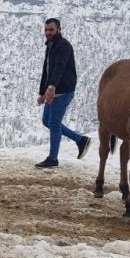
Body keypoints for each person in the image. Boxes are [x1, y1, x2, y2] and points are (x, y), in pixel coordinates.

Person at [35, 18, 91, 168]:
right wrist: (43, 92)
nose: (48, 33)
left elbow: (59, 67)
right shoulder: (51, 46)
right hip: (53, 91)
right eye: (46, 30)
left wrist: (51, 87)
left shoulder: (64, 46)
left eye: (51, 30)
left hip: (63, 91)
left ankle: (53, 159)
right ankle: (80, 140)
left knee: (54, 123)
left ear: (59, 29)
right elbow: (46, 71)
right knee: (47, 120)